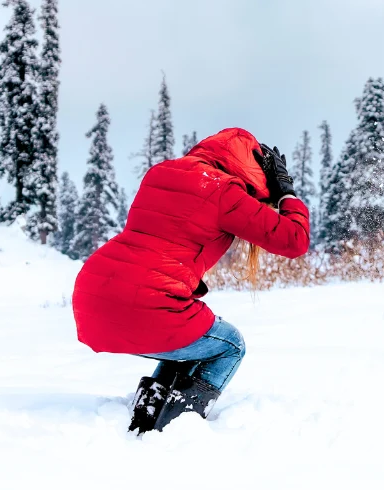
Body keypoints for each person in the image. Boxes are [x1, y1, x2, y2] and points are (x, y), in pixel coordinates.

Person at [71, 128, 310, 434]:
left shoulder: (161, 172)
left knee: (193, 340)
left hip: (93, 295)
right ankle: (176, 427)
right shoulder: (224, 191)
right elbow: (294, 240)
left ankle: (147, 411)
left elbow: (167, 236)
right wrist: (286, 192)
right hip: (145, 304)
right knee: (229, 345)